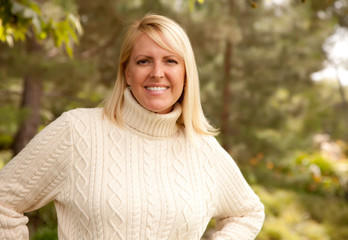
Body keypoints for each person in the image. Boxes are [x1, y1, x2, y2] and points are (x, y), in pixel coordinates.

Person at [0, 14, 264, 240]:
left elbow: (248, 212)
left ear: (186, 73)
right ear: (127, 72)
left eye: (170, 61)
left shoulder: (203, 148)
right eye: (144, 61)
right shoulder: (77, 131)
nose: (157, 72)